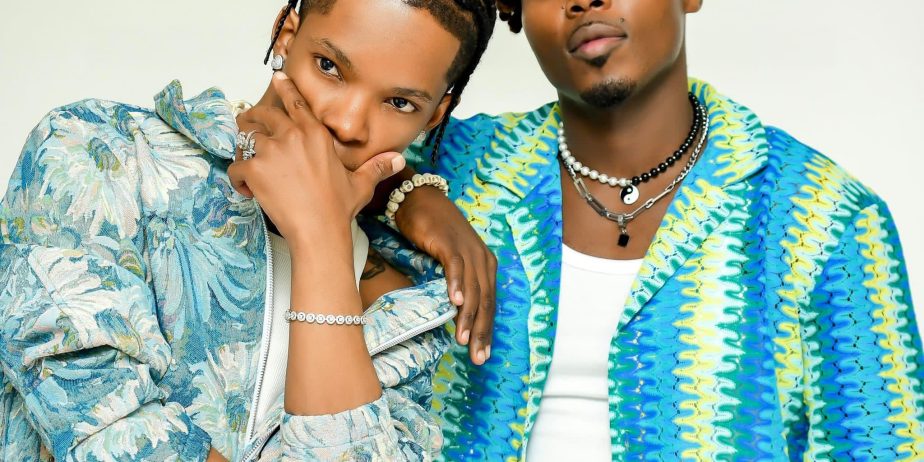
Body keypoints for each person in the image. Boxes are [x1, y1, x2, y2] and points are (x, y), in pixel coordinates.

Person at [388, 0, 924, 460]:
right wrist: (408, 194)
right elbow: (334, 126)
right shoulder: (449, 168)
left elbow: (882, 445)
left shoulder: (827, 217)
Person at [0, 0, 498, 460]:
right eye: (329, 66)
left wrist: (321, 242)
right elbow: (98, 426)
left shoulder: (404, 308)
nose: (347, 123)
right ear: (286, 35)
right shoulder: (102, 154)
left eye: (400, 103)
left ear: (436, 114)